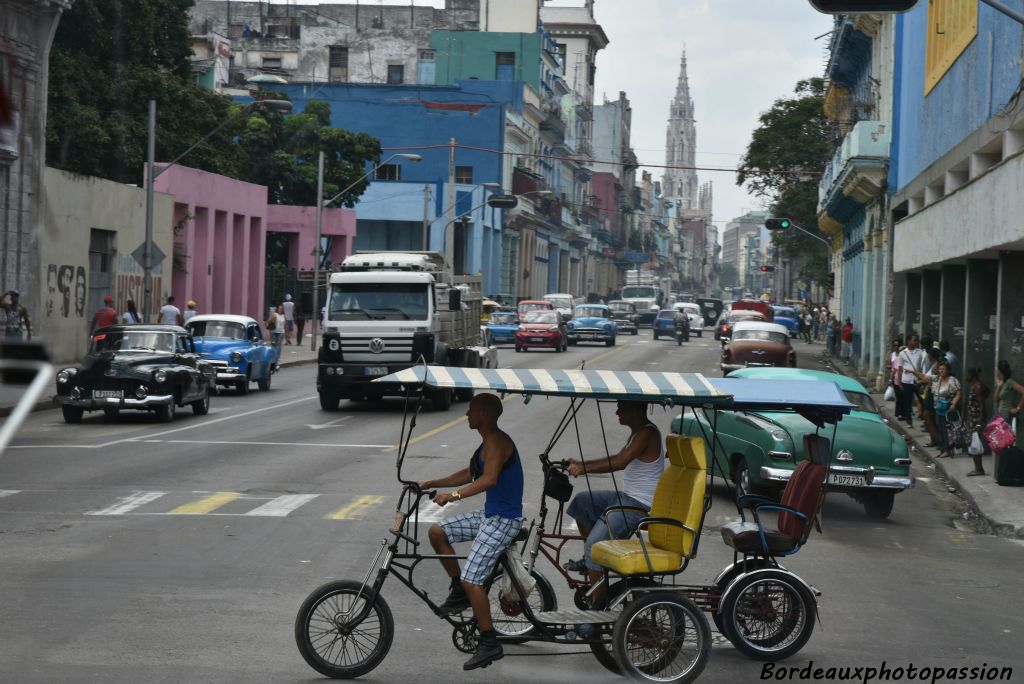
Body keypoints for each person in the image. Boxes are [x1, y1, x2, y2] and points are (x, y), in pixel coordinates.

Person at [419, 393, 524, 671]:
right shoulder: (487, 443)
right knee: (437, 532)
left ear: (484, 416)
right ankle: (460, 591)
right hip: (489, 516)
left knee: (472, 578)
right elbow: (471, 473)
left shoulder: (498, 442)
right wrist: (432, 482)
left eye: (470, 410)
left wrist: (451, 496)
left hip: (503, 520)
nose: (466, 414)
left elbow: (489, 479)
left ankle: (490, 642)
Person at [563, 401, 664, 596]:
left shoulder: (647, 433)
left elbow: (619, 462)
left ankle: (597, 611)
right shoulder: (638, 432)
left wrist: (583, 469)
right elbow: (618, 456)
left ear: (636, 409)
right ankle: (593, 561)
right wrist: (581, 463)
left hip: (638, 505)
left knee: (594, 545)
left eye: (622, 407)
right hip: (626, 497)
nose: (617, 411)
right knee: (581, 502)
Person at [897, 333, 928, 430]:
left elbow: (923, 366)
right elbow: (900, 368)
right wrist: (899, 382)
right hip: (906, 380)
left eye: (917, 340)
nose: (916, 342)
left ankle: (925, 420)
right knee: (907, 402)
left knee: (923, 400)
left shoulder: (920, 352)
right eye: (914, 340)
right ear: (908, 341)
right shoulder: (902, 353)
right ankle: (909, 422)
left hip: (917, 381)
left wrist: (923, 381)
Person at [931, 361, 962, 459]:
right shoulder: (937, 379)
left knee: (947, 430)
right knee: (940, 429)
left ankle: (948, 450)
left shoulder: (952, 380)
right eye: (940, 369)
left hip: (947, 409)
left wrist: (953, 404)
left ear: (948, 370)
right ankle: (943, 449)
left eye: (943, 369)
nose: (941, 371)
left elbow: (958, 393)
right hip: (938, 408)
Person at [964, 367, 990, 476]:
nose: (966, 376)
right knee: (975, 443)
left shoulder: (977, 386)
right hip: (972, 418)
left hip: (975, 419)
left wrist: (979, 422)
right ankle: (978, 468)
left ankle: (979, 469)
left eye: (968, 374)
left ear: (972, 375)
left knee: (975, 444)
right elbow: (988, 391)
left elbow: (981, 404)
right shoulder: (976, 385)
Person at [889, 339, 905, 421]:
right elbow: (893, 369)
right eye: (894, 345)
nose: (896, 347)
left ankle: (901, 413)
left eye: (897, 345)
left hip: (904, 379)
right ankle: (899, 413)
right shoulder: (894, 356)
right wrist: (891, 379)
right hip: (896, 379)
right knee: (899, 397)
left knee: (901, 397)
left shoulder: (903, 357)